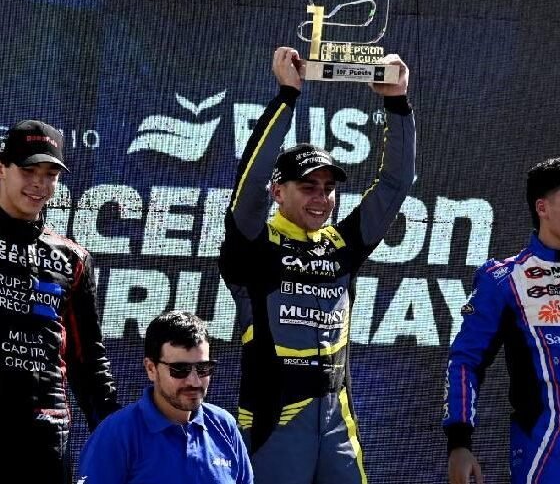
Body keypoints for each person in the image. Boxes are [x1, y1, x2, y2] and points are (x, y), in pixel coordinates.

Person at [219, 46, 416, 484]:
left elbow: (396, 183)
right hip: (274, 419)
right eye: (308, 186)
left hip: (336, 419)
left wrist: (397, 103)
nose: (321, 198)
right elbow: (250, 179)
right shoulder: (252, 243)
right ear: (278, 192)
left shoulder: (343, 244)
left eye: (328, 188)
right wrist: (287, 96)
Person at [0, 120, 119, 482]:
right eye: (29, 170)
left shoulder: (72, 258)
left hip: (44, 433)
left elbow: (89, 361)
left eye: (50, 174)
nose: (39, 183)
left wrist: (118, 435)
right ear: (2, 169)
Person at [443, 157, 560, 484]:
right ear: (542, 207)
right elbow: (465, 361)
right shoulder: (505, 279)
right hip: (546, 452)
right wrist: (459, 444)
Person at [77, 310, 253, 484]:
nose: (194, 381)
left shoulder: (224, 425)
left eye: (203, 368)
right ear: (151, 368)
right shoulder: (116, 433)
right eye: (179, 369)